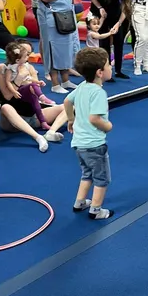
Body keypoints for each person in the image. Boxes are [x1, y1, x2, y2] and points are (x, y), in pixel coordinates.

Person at [64, 47, 114, 220]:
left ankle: (80, 202)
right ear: (100, 72)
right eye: (109, 65)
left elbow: (66, 101)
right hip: (94, 145)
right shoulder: (99, 93)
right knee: (102, 179)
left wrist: (71, 119)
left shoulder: (82, 86)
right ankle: (96, 209)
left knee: (87, 174)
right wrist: (107, 126)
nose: (111, 67)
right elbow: (94, 118)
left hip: (78, 144)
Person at [0, 41, 67, 152]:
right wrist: (19, 79)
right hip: (12, 119)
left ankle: (51, 132)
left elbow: (34, 91)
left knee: (68, 106)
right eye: (25, 53)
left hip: (32, 116)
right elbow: (8, 96)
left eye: (28, 54)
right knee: (5, 107)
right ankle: (37, 137)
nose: (26, 57)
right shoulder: (3, 68)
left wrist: (37, 85)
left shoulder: (29, 68)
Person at [29, 0, 79, 94]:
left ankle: (65, 80)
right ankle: (55, 83)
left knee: (66, 48)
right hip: (50, 16)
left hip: (65, 14)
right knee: (53, 49)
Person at [89, 0, 132, 80]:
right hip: (100, 9)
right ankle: (105, 70)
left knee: (119, 39)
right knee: (104, 42)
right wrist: (100, 7)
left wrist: (119, 23)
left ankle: (118, 70)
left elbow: (126, 7)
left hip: (114, 10)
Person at [5, 42, 55, 131]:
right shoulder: (10, 69)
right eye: (25, 57)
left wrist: (38, 82)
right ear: (17, 60)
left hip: (27, 90)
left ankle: (43, 122)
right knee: (31, 85)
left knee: (37, 106)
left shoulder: (25, 66)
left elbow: (29, 77)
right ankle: (42, 97)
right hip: (19, 90)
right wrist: (13, 91)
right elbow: (8, 82)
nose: (27, 58)